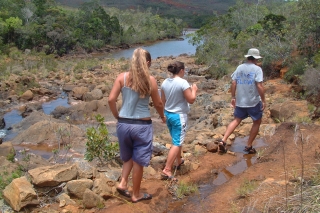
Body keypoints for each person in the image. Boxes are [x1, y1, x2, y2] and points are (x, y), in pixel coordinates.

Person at [108, 48, 166, 203]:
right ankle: (136, 194)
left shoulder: (122, 77)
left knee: (127, 157)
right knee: (138, 161)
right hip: (141, 125)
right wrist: (162, 116)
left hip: (124, 123)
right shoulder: (151, 80)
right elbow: (158, 103)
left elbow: (111, 100)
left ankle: (122, 183)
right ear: (147, 62)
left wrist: (116, 116)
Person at [218, 48, 266, 154]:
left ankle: (223, 140)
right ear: (255, 58)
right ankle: (248, 146)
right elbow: (259, 85)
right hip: (253, 101)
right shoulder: (257, 69)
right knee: (257, 122)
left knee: (236, 120)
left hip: (240, 101)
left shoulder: (240, 68)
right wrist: (263, 100)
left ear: (248, 57)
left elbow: (234, 83)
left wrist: (233, 97)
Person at [160, 61, 198, 180]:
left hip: (168, 114)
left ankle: (179, 160)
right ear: (181, 70)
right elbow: (191, 99)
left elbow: (162, 101)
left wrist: (162, 115)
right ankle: (167, 169)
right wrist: (194, 90)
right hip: (178, 116)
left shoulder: (165, 82)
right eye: (184, 70)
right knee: (176, 143)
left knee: (176, 139)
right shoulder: (183, 82)